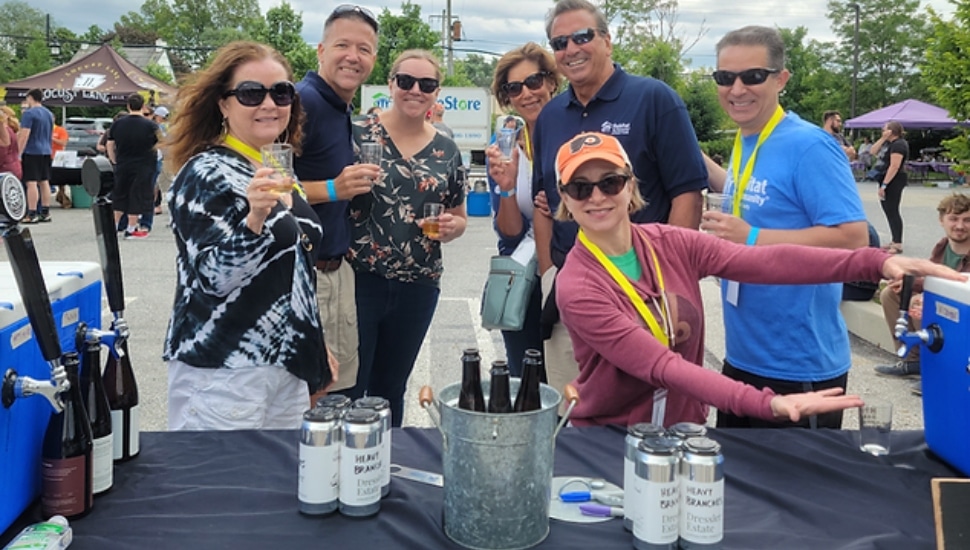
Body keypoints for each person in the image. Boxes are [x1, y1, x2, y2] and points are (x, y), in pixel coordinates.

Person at [552, 131, 964, 428]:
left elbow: (770, 263)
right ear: (565, 199)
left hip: (682, 431)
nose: (597, 196)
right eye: (580, 188)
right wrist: (768, 405)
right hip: (611, 437)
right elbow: (662, 366)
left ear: (629, 185)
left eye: (610, 182)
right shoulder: (578, 285)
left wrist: (876, 264)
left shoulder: (669, 242)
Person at [531, 0, 708, 394]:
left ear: (607, 41)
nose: (571, 49)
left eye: (582, 37)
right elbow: (544, 203)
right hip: (573, 293)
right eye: (560, 42)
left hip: (645, 291)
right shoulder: (549, 116)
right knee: (573, 414)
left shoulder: (655, 99)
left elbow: (688, 194)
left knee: (650, 413)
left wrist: (670, 286)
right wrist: (549, 276)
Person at [701, 26, 869, 429]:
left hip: (799, 367)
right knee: (737, 488)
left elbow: (853, 240)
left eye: (752, 76)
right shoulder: (747, 137)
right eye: (725, 78)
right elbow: (760, 196)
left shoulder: (809, 145)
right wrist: (694, 156)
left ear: (781, 79)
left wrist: (752, 238)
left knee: (790, 492)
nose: (737, 89)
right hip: (743, 356)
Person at [162, 41, 331, 430]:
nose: (269, 104)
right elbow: (212, 278)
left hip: (282, 367)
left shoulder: (275, 168)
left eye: (282, 92)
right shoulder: (206, 171)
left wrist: (314, 348)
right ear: (224, 104)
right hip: (224, 370)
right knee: (220, 488)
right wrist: (255, 220)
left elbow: (297, 271)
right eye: (252, 93)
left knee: (277, 488)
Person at [346, 49, 466, 426]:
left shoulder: (447, 148)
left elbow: (460, 215)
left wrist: (451, 228)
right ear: (390, 84)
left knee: (390, 388)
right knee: (349, 386)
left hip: (419, 282)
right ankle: (342, 470)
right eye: (406, 81)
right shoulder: (357, 133)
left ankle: (382, 470)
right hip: (359, 277)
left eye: (426, 84)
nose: (416, 90)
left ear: (437, 92)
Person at [294, 4, 380, 398]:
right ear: (320, 50)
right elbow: (267, 185)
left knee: (335, 391)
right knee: (311, 396)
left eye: (364, 49)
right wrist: (333, 189)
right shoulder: (303, 101)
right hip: (306, 274)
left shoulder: (337, 105)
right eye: (343, 45)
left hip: (336, 270)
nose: (353, 56)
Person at [485, 42, 561, 373]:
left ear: (552, 82)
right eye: (515, 88)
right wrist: (508, 188)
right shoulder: (504, 149)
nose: (527, 93)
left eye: (534, 82)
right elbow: (511, 230)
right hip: (524, 277)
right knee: (526, 380)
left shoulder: (576, 136)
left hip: (572, 272)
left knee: (573, 383)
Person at [874, 193, 970, 390]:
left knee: (921, 303)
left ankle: (937, 370)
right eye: (954, 219)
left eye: (967, 220)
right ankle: (912, 360)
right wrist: (905, 281)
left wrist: (926, 296)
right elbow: (932, 277)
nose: (960, 226)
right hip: (945, 304)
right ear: (941, 220)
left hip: (962, 314)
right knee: (892, 294)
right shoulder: (943, 247)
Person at [107, 93, 159, 239]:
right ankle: (131, 228)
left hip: (123, 163)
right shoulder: (150, 125)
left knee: (120, 194)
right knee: (138, 195)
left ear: (128, 105)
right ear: (143, 106)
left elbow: (110, 143)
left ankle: (114, 226)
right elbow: (159, 144)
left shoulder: (118, 123)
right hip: (144, 165)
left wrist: (114, 159)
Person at [17, 88, 55, 223]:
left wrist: (18, 153)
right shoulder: (49, 114)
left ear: (30, 98)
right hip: (46, 150)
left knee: (31, 182)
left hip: (32, 150)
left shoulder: (29, 114)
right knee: (44, 181)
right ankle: (45, 212)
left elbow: (24, 134)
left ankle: (31, 213)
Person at [876, 121, 909, 254]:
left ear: (892, 131)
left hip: (894, 180)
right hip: (885, 178)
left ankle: (898, 242)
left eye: (885, 129)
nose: (882, 131)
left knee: (892, 210)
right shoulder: (888, 144)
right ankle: (894, 239)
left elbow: (894, 166)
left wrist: (885, 184)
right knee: (887, 210)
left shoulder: (899, 144)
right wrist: (883, 138)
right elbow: (872, 151)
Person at [0, 106, 22, 180]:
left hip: (5, 169)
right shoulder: (11, 130)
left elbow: (2, 152)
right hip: (15, 167)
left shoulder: (4, 132)